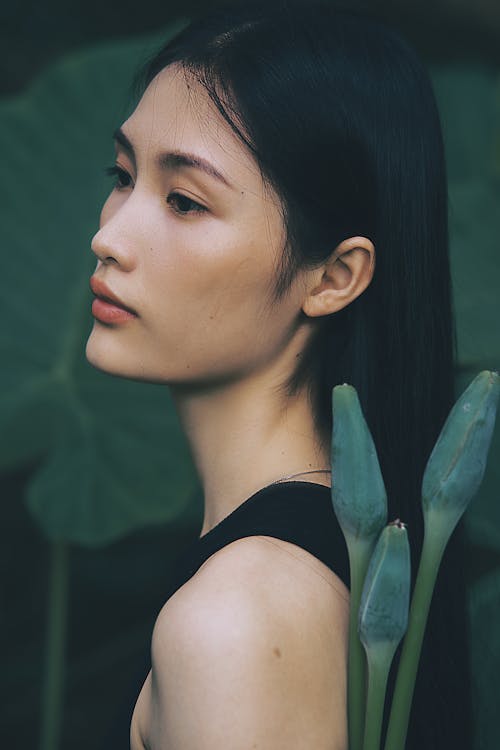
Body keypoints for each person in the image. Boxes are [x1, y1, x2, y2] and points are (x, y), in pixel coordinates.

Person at [86, 1, 474, 748]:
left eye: (184, 201)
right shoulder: (307, 568)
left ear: (332, 276)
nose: (109, 236)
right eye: (122, 175)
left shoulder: (236, 620)